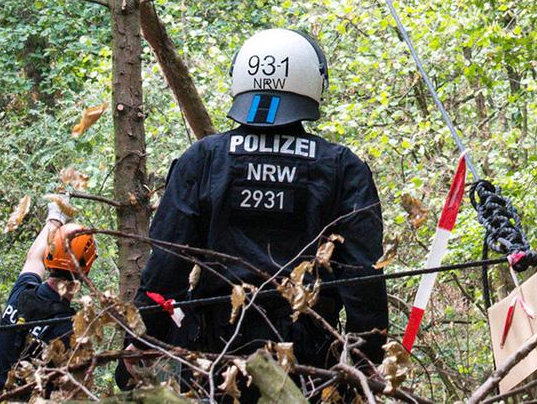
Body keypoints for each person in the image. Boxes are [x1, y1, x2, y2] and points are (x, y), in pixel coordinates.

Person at [136, 28, 388, 395]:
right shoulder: (342, 168)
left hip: (216, 365)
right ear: (314, 83)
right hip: (309, 368)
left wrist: (141, 342)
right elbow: (363, 279)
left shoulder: (203, 159)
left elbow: (165, 266)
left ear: (239, 79)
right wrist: (365, 363)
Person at [0, 196, 97, 399]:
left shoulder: (22, 293)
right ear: (85, 271)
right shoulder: (70, 329)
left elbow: (34, 258)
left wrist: (55, 218)